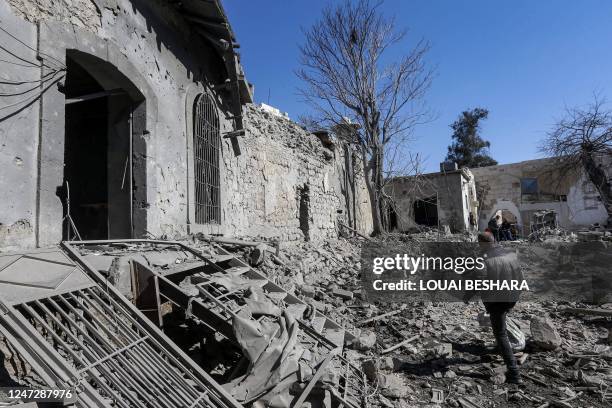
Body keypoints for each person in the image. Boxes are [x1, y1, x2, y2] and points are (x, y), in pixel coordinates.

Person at [464, 231, 524, 384]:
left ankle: (514, 373)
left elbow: (480, 280)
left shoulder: (484, 259)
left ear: (483, 244)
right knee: (501, 325)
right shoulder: (510, 254)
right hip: (511, 297)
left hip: (497, 300)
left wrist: (467, 296)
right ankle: (501, 350)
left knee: (500, 333)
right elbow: (520, 277)